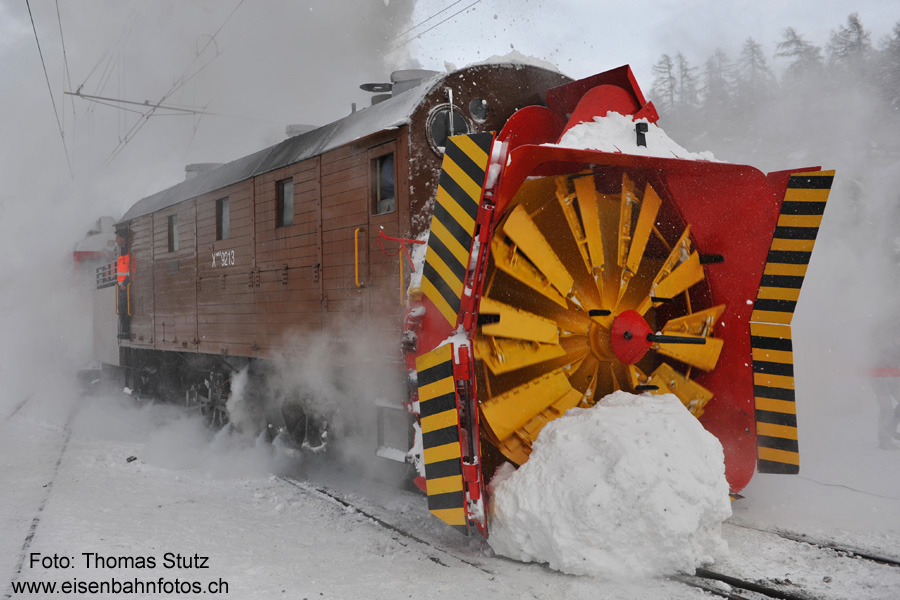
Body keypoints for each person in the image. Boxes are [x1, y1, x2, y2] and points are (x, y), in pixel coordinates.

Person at [871, 319, 900, 450]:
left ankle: (890, 430)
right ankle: (884, 440)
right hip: (878, 377)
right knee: (886, 407)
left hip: (892, 376)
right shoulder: (884, 341)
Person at [115, 230, 132, 339]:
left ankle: (126, 330)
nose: (116, 240)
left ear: (123, 238)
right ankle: (125, 330)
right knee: (121, 307)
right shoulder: (123, 253)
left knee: (123, 307)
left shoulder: (128, 254)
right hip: (122, 286)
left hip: (127, 286)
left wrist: (125, 283)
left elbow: (132, 269)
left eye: (117, 237)